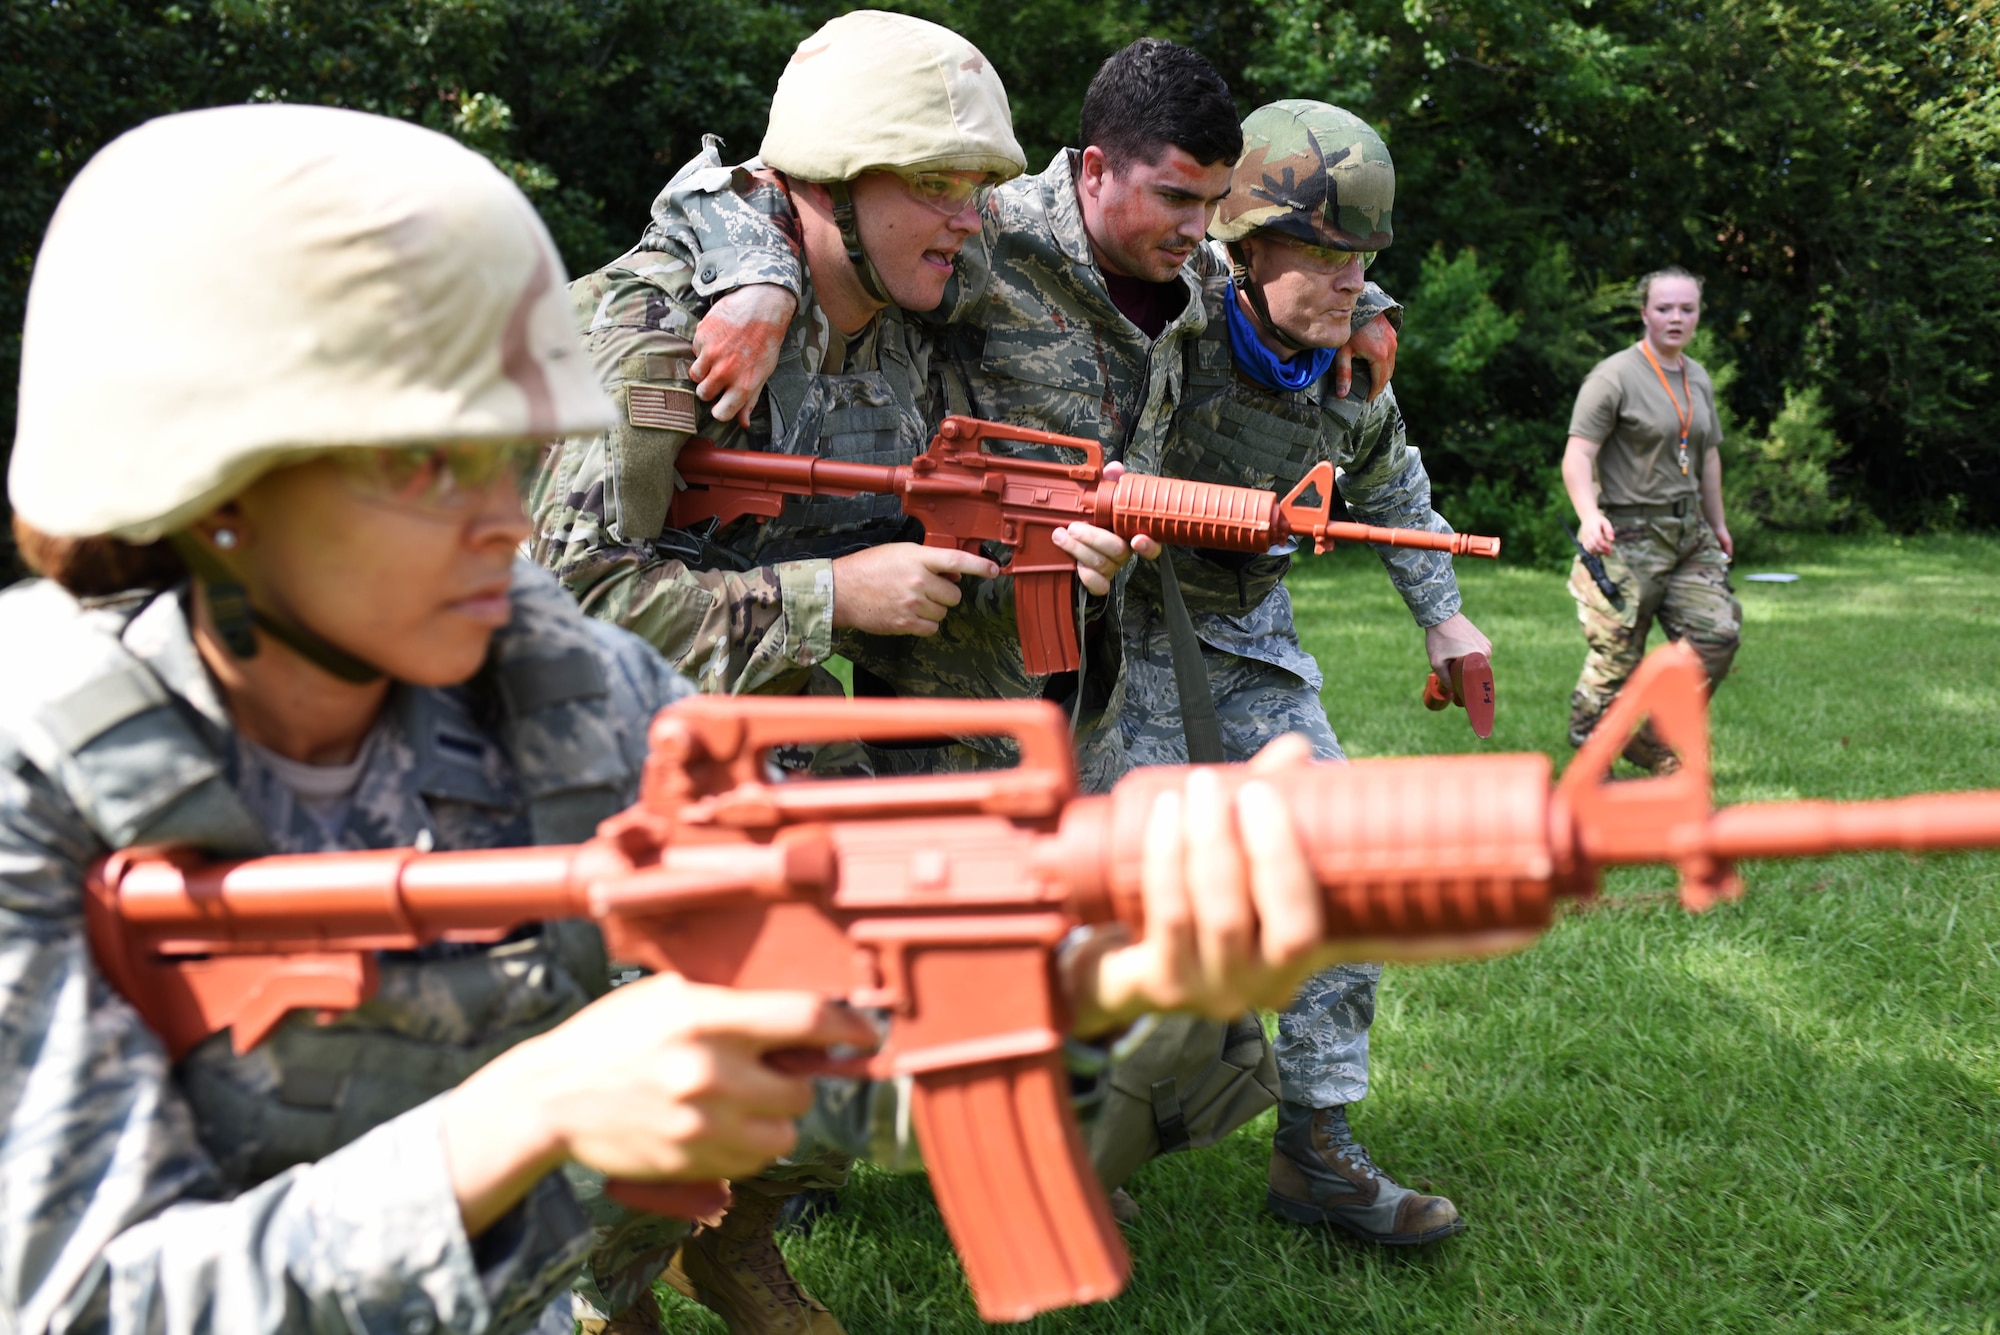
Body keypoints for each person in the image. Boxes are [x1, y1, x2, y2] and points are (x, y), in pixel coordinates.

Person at [0, 102, 1399, 1335]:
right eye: (429, 464)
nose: (507, 516)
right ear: (198, 476)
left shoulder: (551, 680)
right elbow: (78, 1299)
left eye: (514, 449)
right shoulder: (43, 773)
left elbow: (808, 999)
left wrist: (1089, 975)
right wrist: (524, 1116)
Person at [1109, 100, 1489, 1247]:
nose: (1349, 286)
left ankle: (1313, 1148)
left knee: (1347, 861)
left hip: (1248, 643)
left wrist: (1447, 623)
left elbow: (1392, 486)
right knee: (1110, 893)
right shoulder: (1159, 333)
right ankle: (1082, 1132)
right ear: (1246, 248)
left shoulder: (1346, 372)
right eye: (1323, 257)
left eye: (1364, 261)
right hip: (1115, 644)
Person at [527, 9, 1137, 715]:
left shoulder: (907, 326)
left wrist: (1053, 559)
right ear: (828, 184)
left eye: (973, 189)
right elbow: (571, 606)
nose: (968, 219)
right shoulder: (660, 334)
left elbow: (904, 578)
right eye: (934, 185)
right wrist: (836, 594)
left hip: (754, 704)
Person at [1561, 267, 1740, 773]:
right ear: (1645, 314)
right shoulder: (1613, 376)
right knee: (1616, 657)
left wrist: (1718, 522)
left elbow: (1707, 457)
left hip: (1688, 536)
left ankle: (1646, 738)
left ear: (1698, 315)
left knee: (1717, 637)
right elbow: (1578, 455)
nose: (1676, 318)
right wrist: (1589, 514)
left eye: (1687, 309)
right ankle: (1590, 758)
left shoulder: (1698, 377)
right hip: (1626, 535)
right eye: (1665, 308)